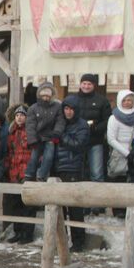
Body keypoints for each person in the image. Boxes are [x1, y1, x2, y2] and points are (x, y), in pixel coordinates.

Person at [55, 97, 90, 251]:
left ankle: (78, 242)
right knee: (59, 208)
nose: (68, 112)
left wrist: (61, 136)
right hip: (58, 168)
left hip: (73, 168)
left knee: (75, 208)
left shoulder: (82, 125)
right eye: (66, 109)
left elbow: (78, 145)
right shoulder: (60, 122)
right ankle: (61, 241)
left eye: (71, 109)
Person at [2, 105, 34, 243]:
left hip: (27, 170)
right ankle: (17, 232)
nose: (19, 117)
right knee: (16, 204)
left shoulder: (31, 131)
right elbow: (9, 152)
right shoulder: (11, 132)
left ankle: (27, 235)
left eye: (22, 115)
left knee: (28, 204)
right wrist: (7, 167)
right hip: (14, 171)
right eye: (17, 115)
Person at [72, 74, 111, 182]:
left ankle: (99, 197)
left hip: (95, 141)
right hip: (77, 141)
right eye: (84, 83)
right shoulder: (73, 99)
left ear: (94, 85)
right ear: (80, 84)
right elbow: (67, 118)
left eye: (89, 84)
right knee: (75, 171)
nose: (86, 86)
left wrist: (95, 128)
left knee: (97, 173)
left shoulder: (102, 100)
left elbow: (107, 120)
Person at [25, 83, 64, 181]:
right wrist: (32, 140)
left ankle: (41, 175)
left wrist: (56, 133)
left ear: (51, 96)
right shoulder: (33, 108)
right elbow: (30, 125)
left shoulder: (57, 107)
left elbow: (60, 121)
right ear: (39, 95)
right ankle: (29, 175)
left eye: (47, 96)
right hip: (37, 137)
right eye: (43, 95)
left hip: (50, 136)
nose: (45, 98)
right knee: (34, 157)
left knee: (48, 157)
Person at [106, 89, 134, 181]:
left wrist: (133, 150)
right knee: (117, 177)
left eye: (129, 100)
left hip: (132, 150)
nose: (126, 102)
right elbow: (111, 139)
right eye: (124, 100)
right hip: (118, 152)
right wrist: (126, 153)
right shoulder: (113, 117)